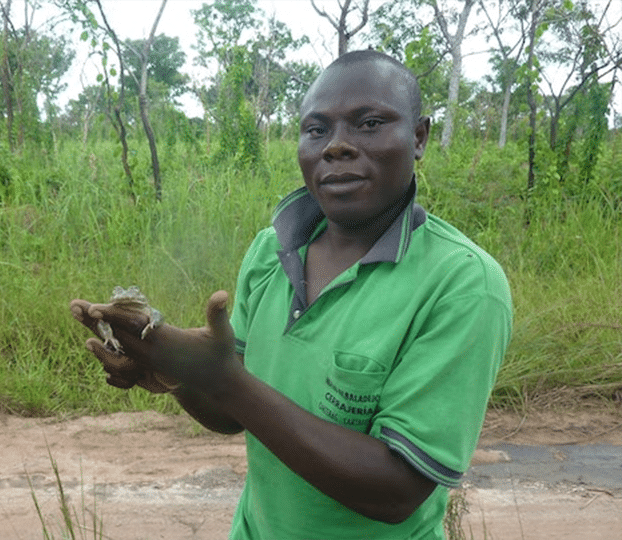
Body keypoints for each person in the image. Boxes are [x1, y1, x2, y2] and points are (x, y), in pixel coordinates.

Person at [70, 49, 513, 540]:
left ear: (420, 137)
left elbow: (396, 491)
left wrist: (226, 381)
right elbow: (234, 413)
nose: (337, 147)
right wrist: (178, 375)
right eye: (316, 130)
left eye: (368, 123)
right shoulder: (271, 249)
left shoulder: (463, 284)